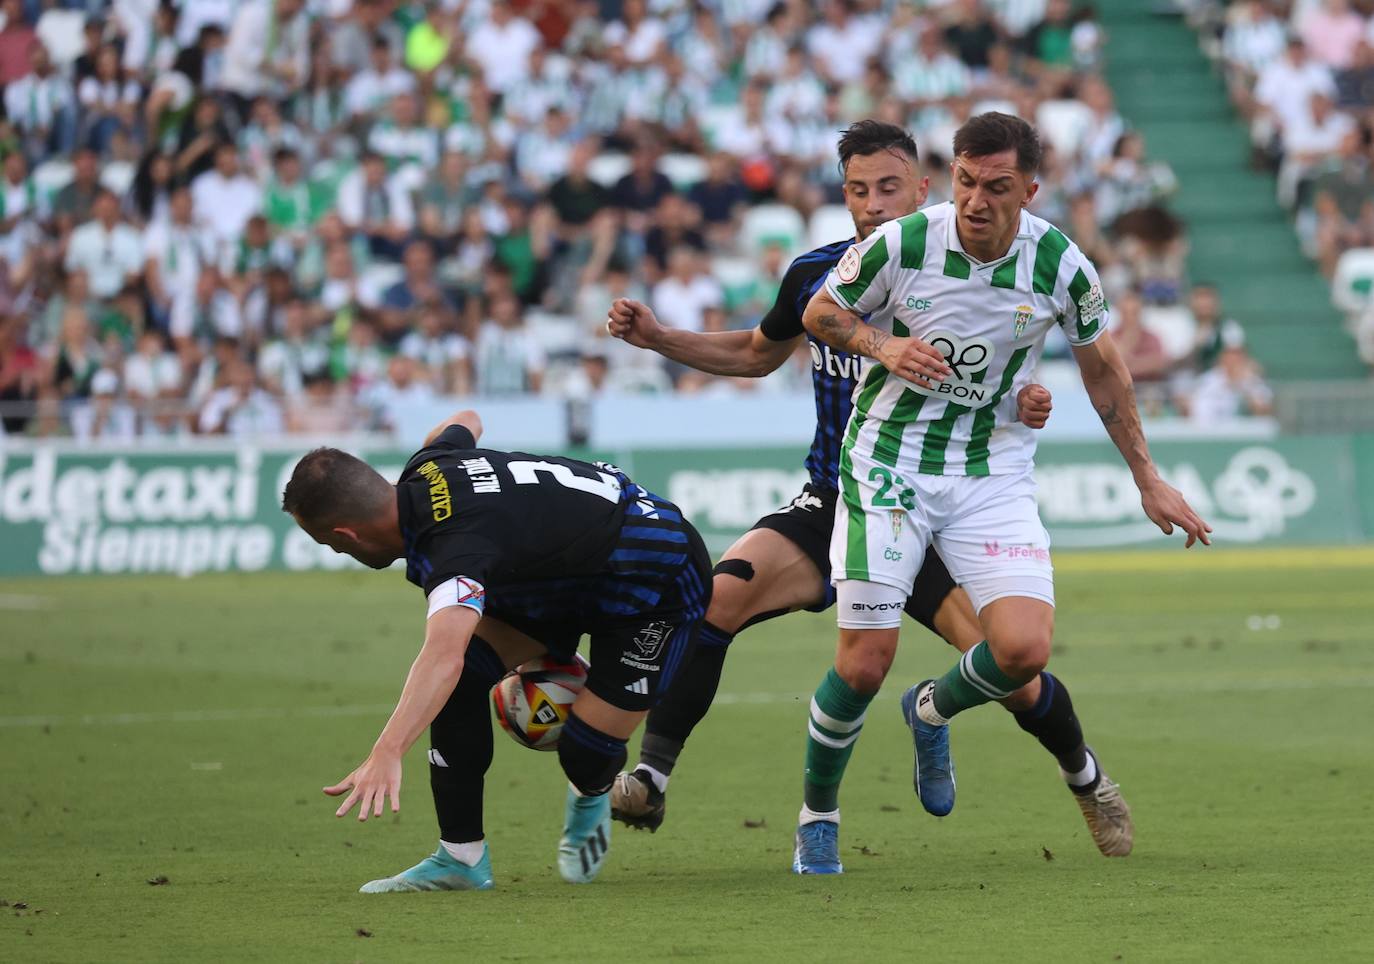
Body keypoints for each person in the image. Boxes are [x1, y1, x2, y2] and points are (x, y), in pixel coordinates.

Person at [605, 120, 1128, 863]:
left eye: (889, 187)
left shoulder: (956, 266)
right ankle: (652, 777)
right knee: (719, 598)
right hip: (840, 492)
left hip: (941, 502)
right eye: (858, 190)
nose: (874, 204)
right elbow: (756, 354)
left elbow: (1005, 368)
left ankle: (1085, 775)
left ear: (922, 190)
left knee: (1013, 668)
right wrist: (661, 339)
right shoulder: (818, 276)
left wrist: (1024, 400)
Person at [795, 112, 1211, 873]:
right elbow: (819, 312)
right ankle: (817, 816)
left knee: (1022, 651)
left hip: (991, 469)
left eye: (996, 187)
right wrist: (885, 345)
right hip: (887, 463)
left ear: (1029, 191)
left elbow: (1104, 371)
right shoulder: (904, 243)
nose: (975, 201)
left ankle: (931, 709)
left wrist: (1147, 477)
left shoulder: (1059, 263)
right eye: (964, 181)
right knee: (862, 664)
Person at [281, 410, 712, 891]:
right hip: (565, 577)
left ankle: (592, 794)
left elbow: (443, 656)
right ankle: (460, 858)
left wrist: (388, 750)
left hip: (656, 579)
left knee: (585, 752)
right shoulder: (429, 464)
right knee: (463, 682)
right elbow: (467, 419)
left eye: (329, 543)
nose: (337, 552)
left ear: (346, 535)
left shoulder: (456, 550)